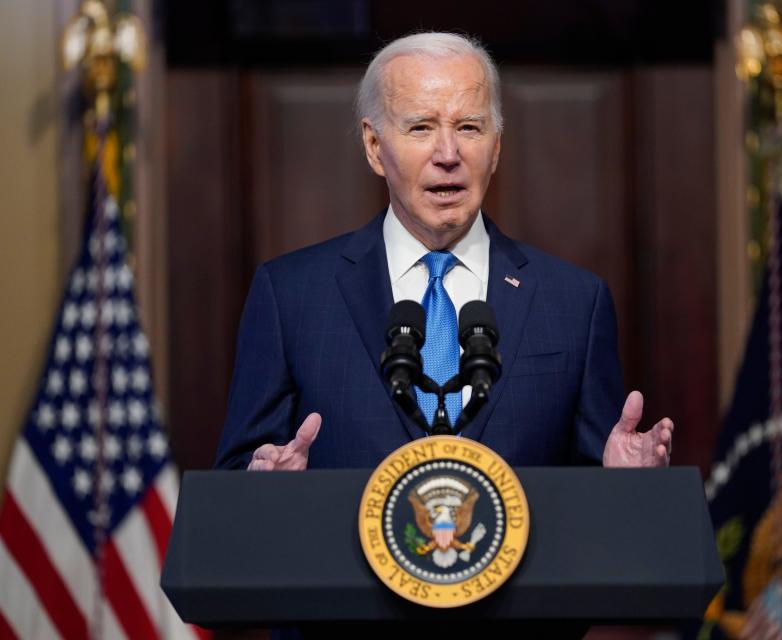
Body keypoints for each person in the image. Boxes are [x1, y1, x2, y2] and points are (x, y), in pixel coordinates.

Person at [214, 32, 673, 472]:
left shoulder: (574, 302)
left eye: (469, 127)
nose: (448, 153)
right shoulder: (292, 295)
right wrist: (266, 486)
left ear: (495, 148)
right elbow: (238, 479)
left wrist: (624, 481)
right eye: (421, 127)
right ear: (374, 147)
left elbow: (599, 498)